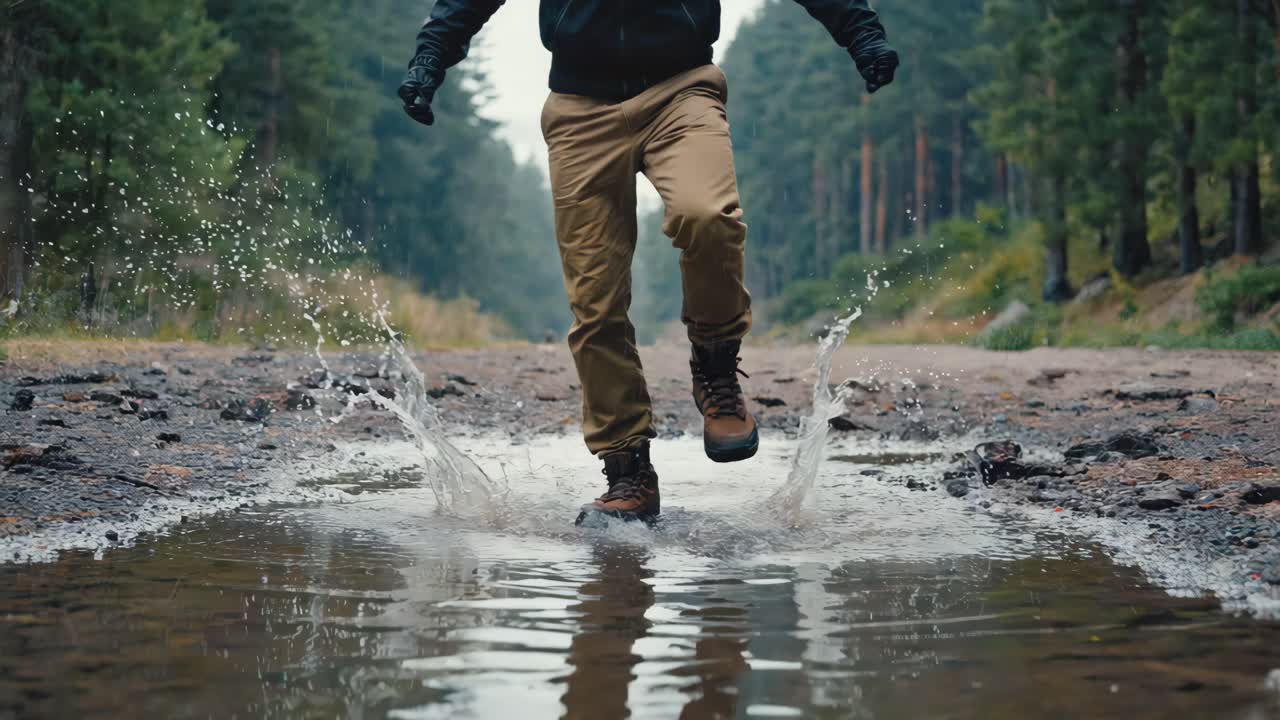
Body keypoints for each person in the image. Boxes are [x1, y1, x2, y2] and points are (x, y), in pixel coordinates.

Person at [399, 1, 898, 524]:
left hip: (681, 89)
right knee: (596, 303)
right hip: (579, 107)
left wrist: (860, 33)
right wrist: (431, 57)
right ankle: (628, 472)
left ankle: (716, 368)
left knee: (707, 215)